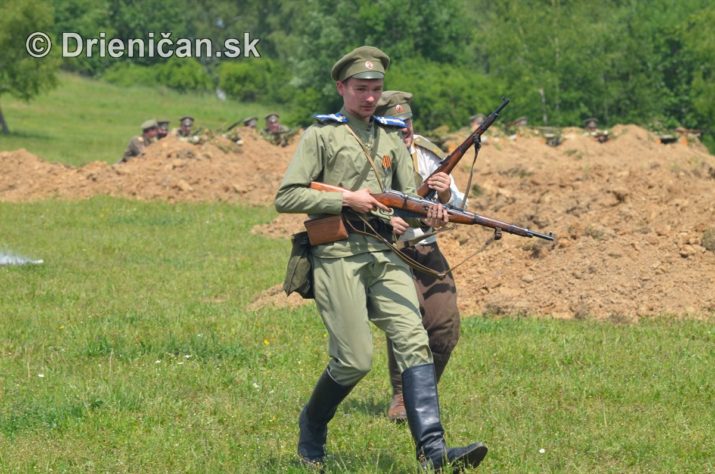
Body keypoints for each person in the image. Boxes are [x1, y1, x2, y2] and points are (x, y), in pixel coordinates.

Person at [274, 45, 487, 472]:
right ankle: (312, 424)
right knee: (354, 359)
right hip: (337, 253)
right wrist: (344, 198)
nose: (369, 97)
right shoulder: (322, 135)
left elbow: (408, 202)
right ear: (342, 88)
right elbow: (286, 196)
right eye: (360, 89)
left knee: (414, 341)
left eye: (376, 89)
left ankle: (433, 451)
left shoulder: (391, 134)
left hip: (386, 254)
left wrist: (436, 205)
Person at [375, 91, 466, 423]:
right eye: (396, 125)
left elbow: (458, 206)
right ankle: (402, 396)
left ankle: (421, 393)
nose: (405, 131)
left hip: (422, 245)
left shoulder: (427, 155)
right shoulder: (366, 154)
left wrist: (443, 195)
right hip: (380, 247)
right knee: (406, 321)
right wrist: (384, 219)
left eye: (408, 123)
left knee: (444, 326)